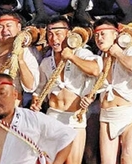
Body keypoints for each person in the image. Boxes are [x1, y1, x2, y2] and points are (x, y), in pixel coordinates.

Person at [30, 16, 100, 164]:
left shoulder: (80, 53)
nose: (54, 38)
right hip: (53, 115)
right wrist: (36, 102)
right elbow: (39, 90)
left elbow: (95, 70)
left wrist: (71, 57)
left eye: (58, 34)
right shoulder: (45, 62)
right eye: (50, 34)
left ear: (68, 34)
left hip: (74, 118)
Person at [89, 18, 132, 164]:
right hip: (107, 115)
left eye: (103, 34)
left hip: (129, 113)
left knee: (127, 160)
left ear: (115, 34)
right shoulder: (100, 57)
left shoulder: (130, 48)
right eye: (97, 35)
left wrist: (118, 53)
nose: (99, 38)